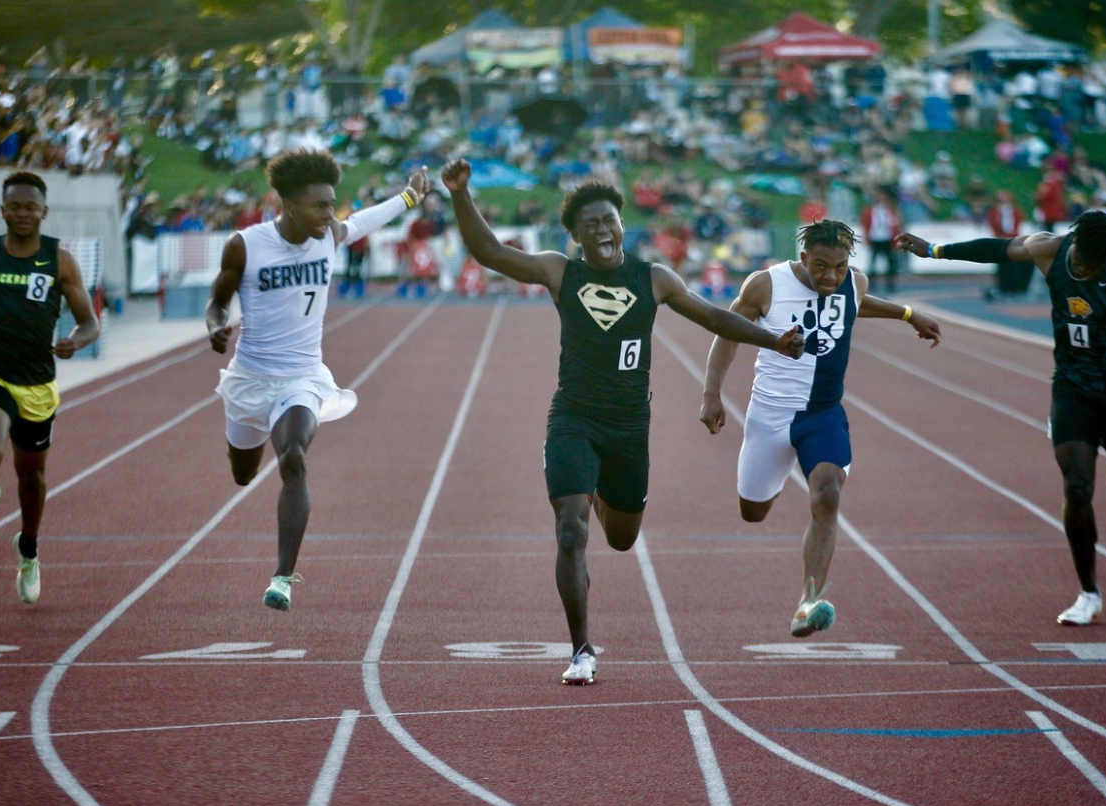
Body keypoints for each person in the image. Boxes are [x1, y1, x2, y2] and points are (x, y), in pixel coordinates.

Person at [440, 158, 807, 685]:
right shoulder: (559, 271)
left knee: (621, 540)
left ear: (622, 223)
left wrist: (773, 340)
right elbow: (489, 252)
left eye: (610, 220)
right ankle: (581, 650)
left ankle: (597, 491)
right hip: (573, 419)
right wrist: (460, 193)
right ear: (574, 236)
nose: (603, 230)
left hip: (630, 429)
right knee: (571, 531)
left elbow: (711, 315)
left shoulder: (653, 278)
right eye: (590, 225)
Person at [894, 210, 1106, 625]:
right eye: (1078, 258)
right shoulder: (1051, 249)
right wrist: (935, 250)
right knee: (1077, 486)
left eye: (1090, 265)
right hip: (1072, 387)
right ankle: (1088, 592)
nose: (1079, 267)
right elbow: (997, 249)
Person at [206, 149, 429, 611]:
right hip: (250, 379)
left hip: (302, 377)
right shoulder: (245, 245)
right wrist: (215, 325)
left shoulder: (327, 235)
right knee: (243, 474)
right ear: (287, 203)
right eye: (320, 206)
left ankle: (283, 577)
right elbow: (217, 302)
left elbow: (363, 221)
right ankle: (245, 451)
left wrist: (408, 197)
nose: (330, 215)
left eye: (333, 204)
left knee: (293, 457)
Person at [700, 220, 940, 638]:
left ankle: (808, 601)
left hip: (823, 413)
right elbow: (727, 331)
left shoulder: (852, 282)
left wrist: (907, 314)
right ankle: (770, 487)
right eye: (822, 266)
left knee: (827, 492)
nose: (831, 276)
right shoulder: (765, 285)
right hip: (770, 416)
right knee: (752, 512)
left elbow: (856, 300)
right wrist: (711, 393)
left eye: (840, 267)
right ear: (804, 257)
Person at [0, 170, 100, 603]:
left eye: (31, 206)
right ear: (2, 209)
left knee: (33, 476)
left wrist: (75, 342)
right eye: (15, 205)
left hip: (37, 383)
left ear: (43, 211)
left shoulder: (59, 260)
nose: (23, 213)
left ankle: (28, 547)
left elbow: (89, 321)